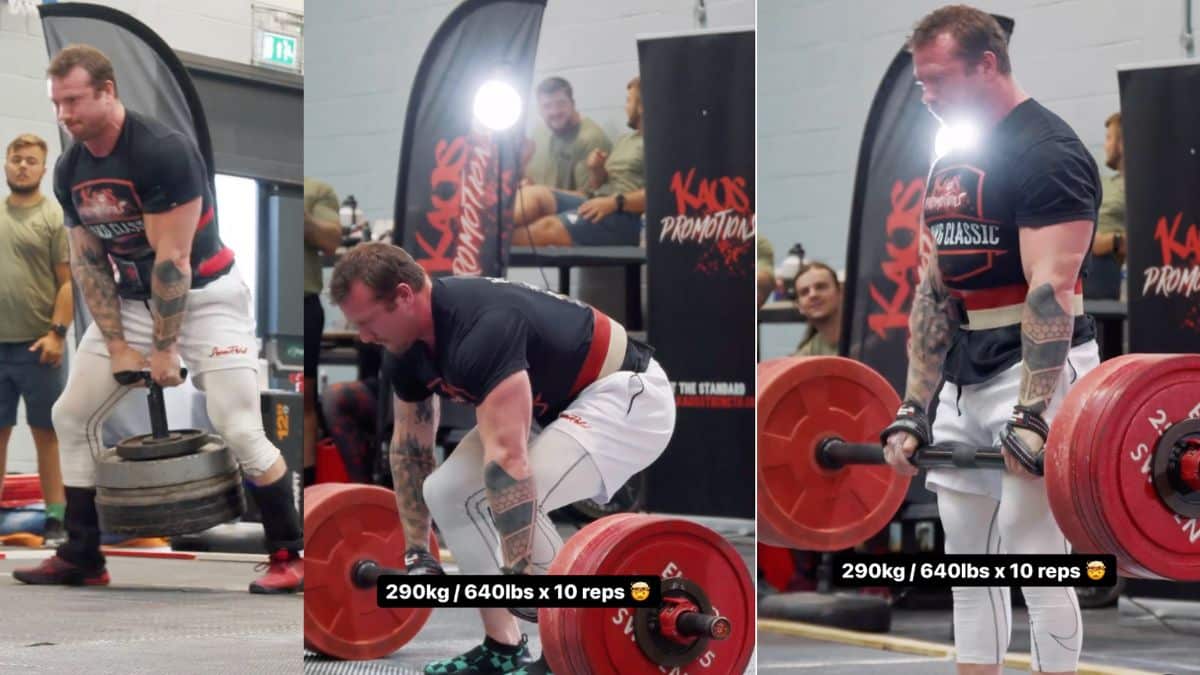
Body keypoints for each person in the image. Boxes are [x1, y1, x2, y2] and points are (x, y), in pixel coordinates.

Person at [12, 45, 303, 593]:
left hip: (208, 297)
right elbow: (88, 263)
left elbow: (175, 260)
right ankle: (82, 554)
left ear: (108, 91)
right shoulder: (71, 169)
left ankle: (290, 553)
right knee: (71, 415)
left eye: (73, 101)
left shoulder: (162, 151)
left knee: (238, 424)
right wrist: (119, 345)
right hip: (131, 302)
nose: (64, 114)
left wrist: (165, 351)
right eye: (57, 103)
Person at [329, 242, 675, 675]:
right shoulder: (404, 350)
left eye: (367, 322)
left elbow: (508, 459)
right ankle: (503, 646)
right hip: (556, 406)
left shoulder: (482, 328)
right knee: (446, 491)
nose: (363, 337)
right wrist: (419, 555)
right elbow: (410, 450)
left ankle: (575, 647)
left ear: (403, 296)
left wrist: (519, 572)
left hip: (626, 396)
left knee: (510, 499)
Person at [881, 7, 1101, 675]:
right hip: (964, 371)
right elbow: (933, 294)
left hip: (1037, 367)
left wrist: (1032, 415)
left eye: (938, 79)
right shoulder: (950, 157)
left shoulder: (1048, 152)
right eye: (920, 83)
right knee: (966, 556)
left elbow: (1051, 289)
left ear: (986, 64)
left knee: (1032, 549)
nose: (927, 95)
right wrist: (914, 406)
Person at [0, 133, 73, 548]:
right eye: (16, 159)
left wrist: (56, 334)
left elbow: (68, 283)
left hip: (39, 347)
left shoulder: (53, 217)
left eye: (30, 161)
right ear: (6, 164)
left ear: (43, 170)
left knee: (47, 433)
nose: (22, 166)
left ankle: (55, 519)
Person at [512, 77, 645, 247]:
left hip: (624, 214)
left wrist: (614, 203)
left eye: (629, 101)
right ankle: (487, 227)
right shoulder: (625, 139)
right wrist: (596, 169)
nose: (625, 107)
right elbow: (598, 186)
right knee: (534, 194)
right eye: (547, 106)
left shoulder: (658, 144)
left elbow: (661, 194)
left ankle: (489, 243)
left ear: (642, 106)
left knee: (547, 227)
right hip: (598, 200)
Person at [304, 177, 342, 485]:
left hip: (302, 302)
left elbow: (331, 242)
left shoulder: (316, 190)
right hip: (258, 297)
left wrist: (302, 218)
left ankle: (305, 487)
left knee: (303, 398)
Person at [522, 77, 611, 192]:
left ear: (572, 104)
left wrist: (538, 193)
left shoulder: (591, 138)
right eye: (547, 106)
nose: (555, 111)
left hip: (562, 204)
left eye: (561, 103)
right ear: (539, 110)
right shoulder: (539, 131)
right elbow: (529, 179)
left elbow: (588, 197)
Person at [1083, 112, 1125, 300]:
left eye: (1109, 138)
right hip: (1082, 265)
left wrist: (1113, 242)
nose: (1105, 146)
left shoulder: (1142, 186)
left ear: (1123, 143)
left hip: (1106, 270)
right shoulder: (1103, 182)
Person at [791, 262, 842, 356]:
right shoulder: (805, 356)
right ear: (799, 306)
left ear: (840, 293)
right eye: (804, 292)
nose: (813, 295)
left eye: (821, 287)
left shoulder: (867, 338)